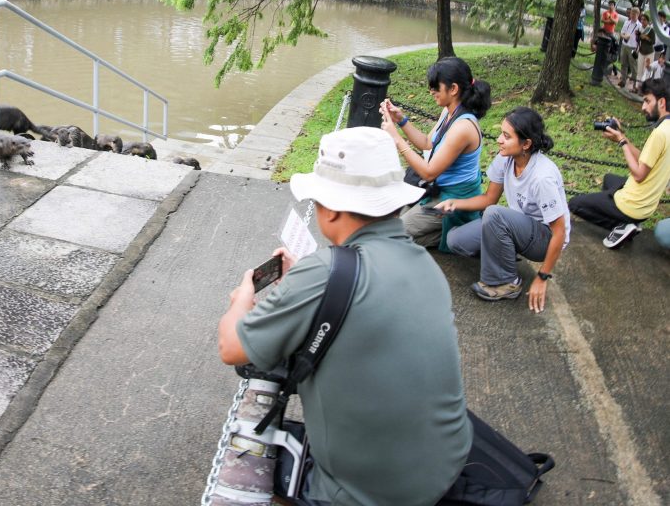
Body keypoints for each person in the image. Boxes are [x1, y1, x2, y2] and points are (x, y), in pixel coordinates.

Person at [218, 127, 472, 505]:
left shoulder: (321, 273)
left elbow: (232, 347)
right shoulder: (423, 262)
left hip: (371, 493)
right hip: (445, 463)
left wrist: (243, 297)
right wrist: (310, 281)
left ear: (332, 206)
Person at [435, 108, 570, 313]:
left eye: (506, 136)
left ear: (526, 144)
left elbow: (560, 232)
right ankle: (503, 254)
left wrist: (543, 277)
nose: (499, 139)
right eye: (501, 133)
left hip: (545, 239)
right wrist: (454, 203)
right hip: (520, 226)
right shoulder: (505, 158)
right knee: (456, 241)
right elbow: (489, 198)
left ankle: (507, 283)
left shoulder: (543, 177)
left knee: (495, 214)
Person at [379, 56, 492, 251]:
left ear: (453, 89)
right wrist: (401, 120)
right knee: (391, 223)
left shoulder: (463, 127)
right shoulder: (448, 112)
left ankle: (455, 233)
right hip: (436, 190)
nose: (431, 92)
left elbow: (429, 172)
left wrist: (396, 139)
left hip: (452, 200)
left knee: (392, 235)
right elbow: (427, 143)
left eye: (435, 87)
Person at [568, 79, 670, 248]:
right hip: (647, 206)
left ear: (661, 102)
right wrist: (621, 135)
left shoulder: (659, 134)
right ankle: (626, 221)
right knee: (609, 179)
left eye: (647, 101)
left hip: (633, 205)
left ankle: (622, 226)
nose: (643, 107)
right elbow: (644, 158)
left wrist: (622, 142)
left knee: (575, 204)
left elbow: (638, 175)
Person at [620, 7, 642, 91]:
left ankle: (634, 85)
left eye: (634, 14)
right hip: (625, 45)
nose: (632, 15)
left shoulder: (639, 26)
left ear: (638, 15)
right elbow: (621, 33)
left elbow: (640, 40)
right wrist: (624, 36)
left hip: (633, 47)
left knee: (633, 66)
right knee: (623, 63)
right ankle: (623, 80)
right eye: (631, 13)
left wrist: (637, 49)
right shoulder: (627, 22)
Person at [636, 13, 655, 90]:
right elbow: (638, 41)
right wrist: (637, 35)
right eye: (641, 20)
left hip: (649, 52)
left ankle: (644, 88)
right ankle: (637, 86)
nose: (643, 21)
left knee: (646, 70)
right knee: (639, 69)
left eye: (644, 20)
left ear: (647, 21)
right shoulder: (640, 28)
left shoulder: (650, 29)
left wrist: (646, 38)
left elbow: (653, 41)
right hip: (641, 51)